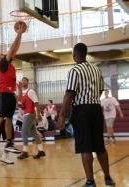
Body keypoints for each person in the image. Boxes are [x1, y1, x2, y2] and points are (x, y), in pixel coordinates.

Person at [57, 43, 115, 187]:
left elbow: (69, 94)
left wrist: (62, 116)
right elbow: (101, 90)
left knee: (86, 147)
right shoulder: (96, 69)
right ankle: (108, 178)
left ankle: (90, 181)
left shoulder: (74, 70)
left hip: (82, 110)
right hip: (96, 109)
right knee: (99, 146)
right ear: (86, 53)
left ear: (74, 54)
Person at [0, 21, 27, 156]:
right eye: (1, 54)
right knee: (0, 117)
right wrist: (18, 34)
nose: (3, 53)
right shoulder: (2, 64)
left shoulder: (7, 62)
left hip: (10, 93)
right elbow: (12, 49)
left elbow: (14, 49)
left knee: (9, 118)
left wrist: (20, 35)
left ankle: (9, 143)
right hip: (4, 94)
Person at [17, 77, 45, 159]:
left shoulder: (31, 91)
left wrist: (38, 114)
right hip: (26, 113)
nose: (23, 82)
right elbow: (23, 106)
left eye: (25, 81)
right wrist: (20, 105)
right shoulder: (22, 93)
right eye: (22, 81)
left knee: (23, 132)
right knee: (34, 133)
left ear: (28, 82)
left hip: (30, 114)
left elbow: (36, 102)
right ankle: (41, 151)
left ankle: (25, 152)